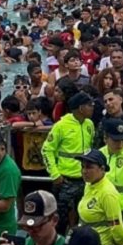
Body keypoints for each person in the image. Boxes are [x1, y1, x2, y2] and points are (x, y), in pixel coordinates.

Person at [41, 91, 95, 233]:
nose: (93, 108)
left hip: (85, 180)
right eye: (90, 105)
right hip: (65, 181)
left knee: (83, 217)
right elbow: (46, 150)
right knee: (60, 219)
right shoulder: (61, 126)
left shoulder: (89, 124)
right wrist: (55, 174)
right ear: (80, 108)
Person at [75, 148, 123, 245]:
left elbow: (116, 226)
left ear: (102, 169)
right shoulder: (89, 185)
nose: (84, 171)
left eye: (89, 167)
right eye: (83, 167)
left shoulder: (107, 193)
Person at [0, 190, 65, 245]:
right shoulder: (27, 244)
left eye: (37, 227)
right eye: (27, 227)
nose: (31, 232)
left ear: (54, 220)